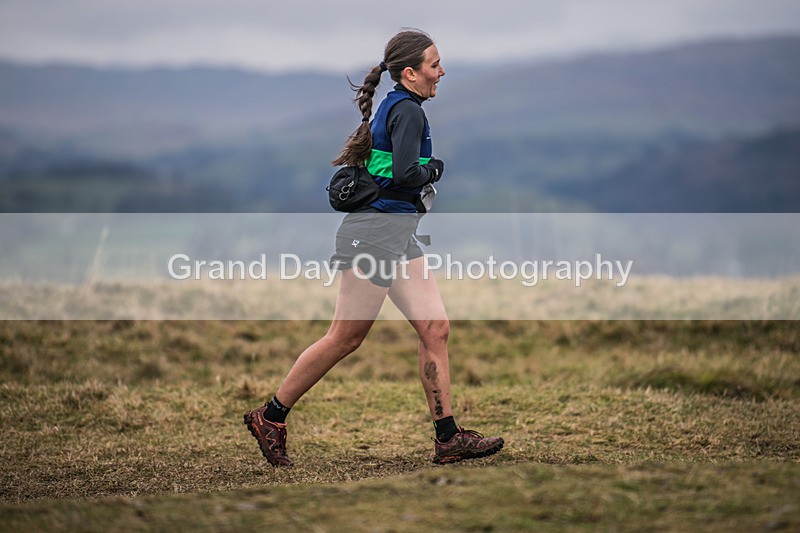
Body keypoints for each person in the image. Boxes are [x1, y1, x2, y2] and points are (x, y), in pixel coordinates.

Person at [244, 29, 504, 466]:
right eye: (434, 65)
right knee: (345, 337)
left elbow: (393, 172)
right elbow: (405, 174)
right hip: (375, 234)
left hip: (396, 234)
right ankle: (270, 417)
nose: (441, 72)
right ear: (410, 72)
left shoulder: (399, 107)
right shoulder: (408, 111)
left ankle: (448, 437)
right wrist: (434, 170)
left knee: (435, 328)